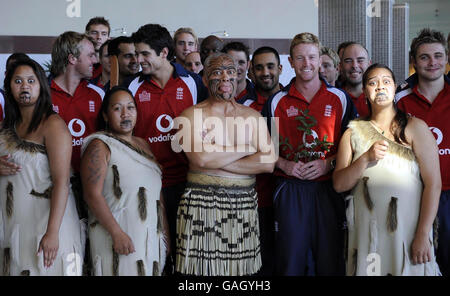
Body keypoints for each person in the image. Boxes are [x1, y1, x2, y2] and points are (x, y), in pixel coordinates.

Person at [333, 63, 441, 276]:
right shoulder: (352, 132)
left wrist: (422, 234)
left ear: (394, 89)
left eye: (386, 82)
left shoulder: (414, 127)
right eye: (372, 83)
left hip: (407, 231)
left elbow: (433, 184)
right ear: (365, 91)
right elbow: (339, 184)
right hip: (367, 231)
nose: (379, 87)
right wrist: (365, 158)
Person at [262, 32, 357, 276]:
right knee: (290, 263)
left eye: (312, 57)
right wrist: (284, 164)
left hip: (329, 189)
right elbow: (265, 151)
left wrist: (329, 163)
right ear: (291, 62)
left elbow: (355, 147)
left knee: (331, 261)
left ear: (319, 59)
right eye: (300, 58)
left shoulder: (341, 99)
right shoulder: (276, 103)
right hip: (290, 188)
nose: (307, 64)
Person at [174, 52, 276, 276]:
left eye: (230, 72)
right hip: (201, 205)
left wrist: (215, 159)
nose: (225, 79)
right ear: (204, 79)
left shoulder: (252, 116)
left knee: (241, 275)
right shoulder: (191, 115)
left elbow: (269, 162)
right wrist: (248, 149)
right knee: (200, 274)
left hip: (243, 205)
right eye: (217, 73)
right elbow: (200, 159)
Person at [128, 23, 207, 273]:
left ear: (163, 53)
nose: (138, 60)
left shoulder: (194, 84)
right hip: (148, 186)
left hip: (188, 183)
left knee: (189, 254)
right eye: (136, 54)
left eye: (144, 54)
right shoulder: (132, 88)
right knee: (156, 252)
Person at [0, 59, 84, 275]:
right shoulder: (5, 127)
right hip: (13, 223)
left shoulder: (53, 124)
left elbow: (62, 183)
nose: (25, 86)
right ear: (9, 86)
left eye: (31, 80)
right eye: (18, 81)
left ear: (41, 86)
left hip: (49, 223)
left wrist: (52, 233)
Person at [80, 86, 169, 276]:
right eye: (117, 108)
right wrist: (116, 233)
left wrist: (165, 236)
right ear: (105, 115)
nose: (125, 114)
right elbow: (91, 194)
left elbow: (157, 195)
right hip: (116, 234)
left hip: (149, 235)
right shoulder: (99, 144)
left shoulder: (143, 144)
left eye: (130, 107)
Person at [395, 28, 450, 276]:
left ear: (447, 59)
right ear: (413, 62)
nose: (432, 62)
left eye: (438, 56)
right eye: (424, 57)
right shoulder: (399, 100)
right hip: (418, 197)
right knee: (420, 263)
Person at [237, 46, 283, 275]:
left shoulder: (289, 101)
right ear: (251, 72)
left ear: (280, 68)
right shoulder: (243, 107)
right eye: (259, 67)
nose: (265, 72)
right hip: (256, 200)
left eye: (270, 66)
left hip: (288, 197)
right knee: (258, 265)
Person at [340, 42, 371, 117]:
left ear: (369, 64)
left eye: (360, 60)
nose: (354, 66)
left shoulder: (378, 97)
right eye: (348, 61)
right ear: (340, 66)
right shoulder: (335, 98)